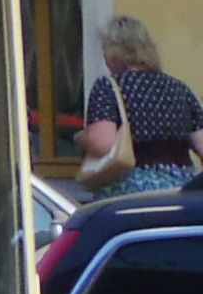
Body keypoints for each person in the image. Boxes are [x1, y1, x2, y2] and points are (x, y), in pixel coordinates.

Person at [77, 15, 200, 194]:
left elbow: (102, 144)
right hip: (181, 192)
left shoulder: (109, 86)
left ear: (114, 53)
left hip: (133, 194)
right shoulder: (179, 89)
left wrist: (80, 138)